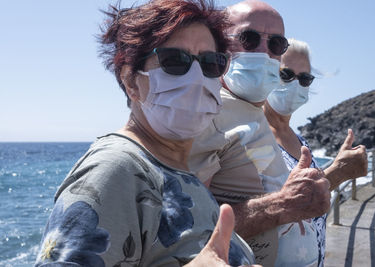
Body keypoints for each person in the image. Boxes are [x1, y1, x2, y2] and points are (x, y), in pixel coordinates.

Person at [34, 1, 259, 266]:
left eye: (211, 63)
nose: (197, 77)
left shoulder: (174, 170)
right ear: (131, 81)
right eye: (175, 60)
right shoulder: (114, 169)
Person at [189, 1, 367, 266]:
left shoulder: (250, 116)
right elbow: (186, 231)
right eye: (248, 39)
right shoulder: (202, 114)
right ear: (219, 44)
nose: (262, 53)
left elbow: (289, 198)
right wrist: (284, 204)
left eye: (275, 44)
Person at [265, 38, 368, 266]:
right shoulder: (253, 136)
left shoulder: (300, 141)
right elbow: (273, 207)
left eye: (305, 79)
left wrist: (336, 169)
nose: (296, 84)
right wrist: (338, 171)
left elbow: (308, 198)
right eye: (286, 74)